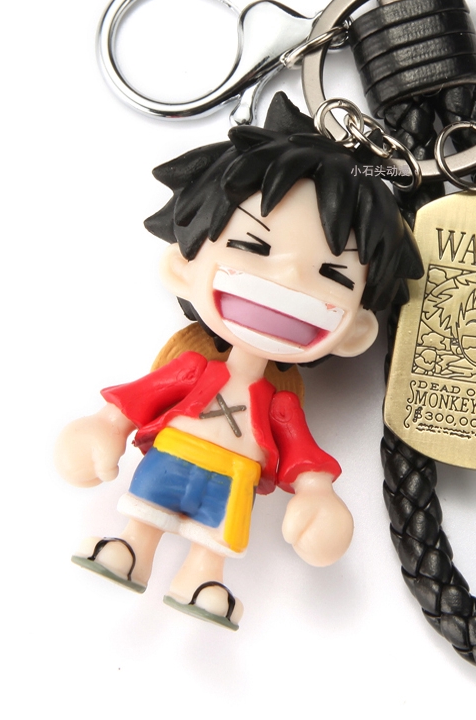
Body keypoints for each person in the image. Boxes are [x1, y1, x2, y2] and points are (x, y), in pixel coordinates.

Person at [55, 93, 422, 630]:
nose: (289, 279)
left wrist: (317, 494)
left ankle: (204, 578)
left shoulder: (278, 405)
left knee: (217, 534)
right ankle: (132, 547)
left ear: (357, 333)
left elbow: (302, 457)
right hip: (172, 457)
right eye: (253, 245)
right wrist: (104, 426)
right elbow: (137, 400)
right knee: (147, 508)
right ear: (182, 267)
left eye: (334, 275)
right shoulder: (192, 370)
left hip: (233, 478)